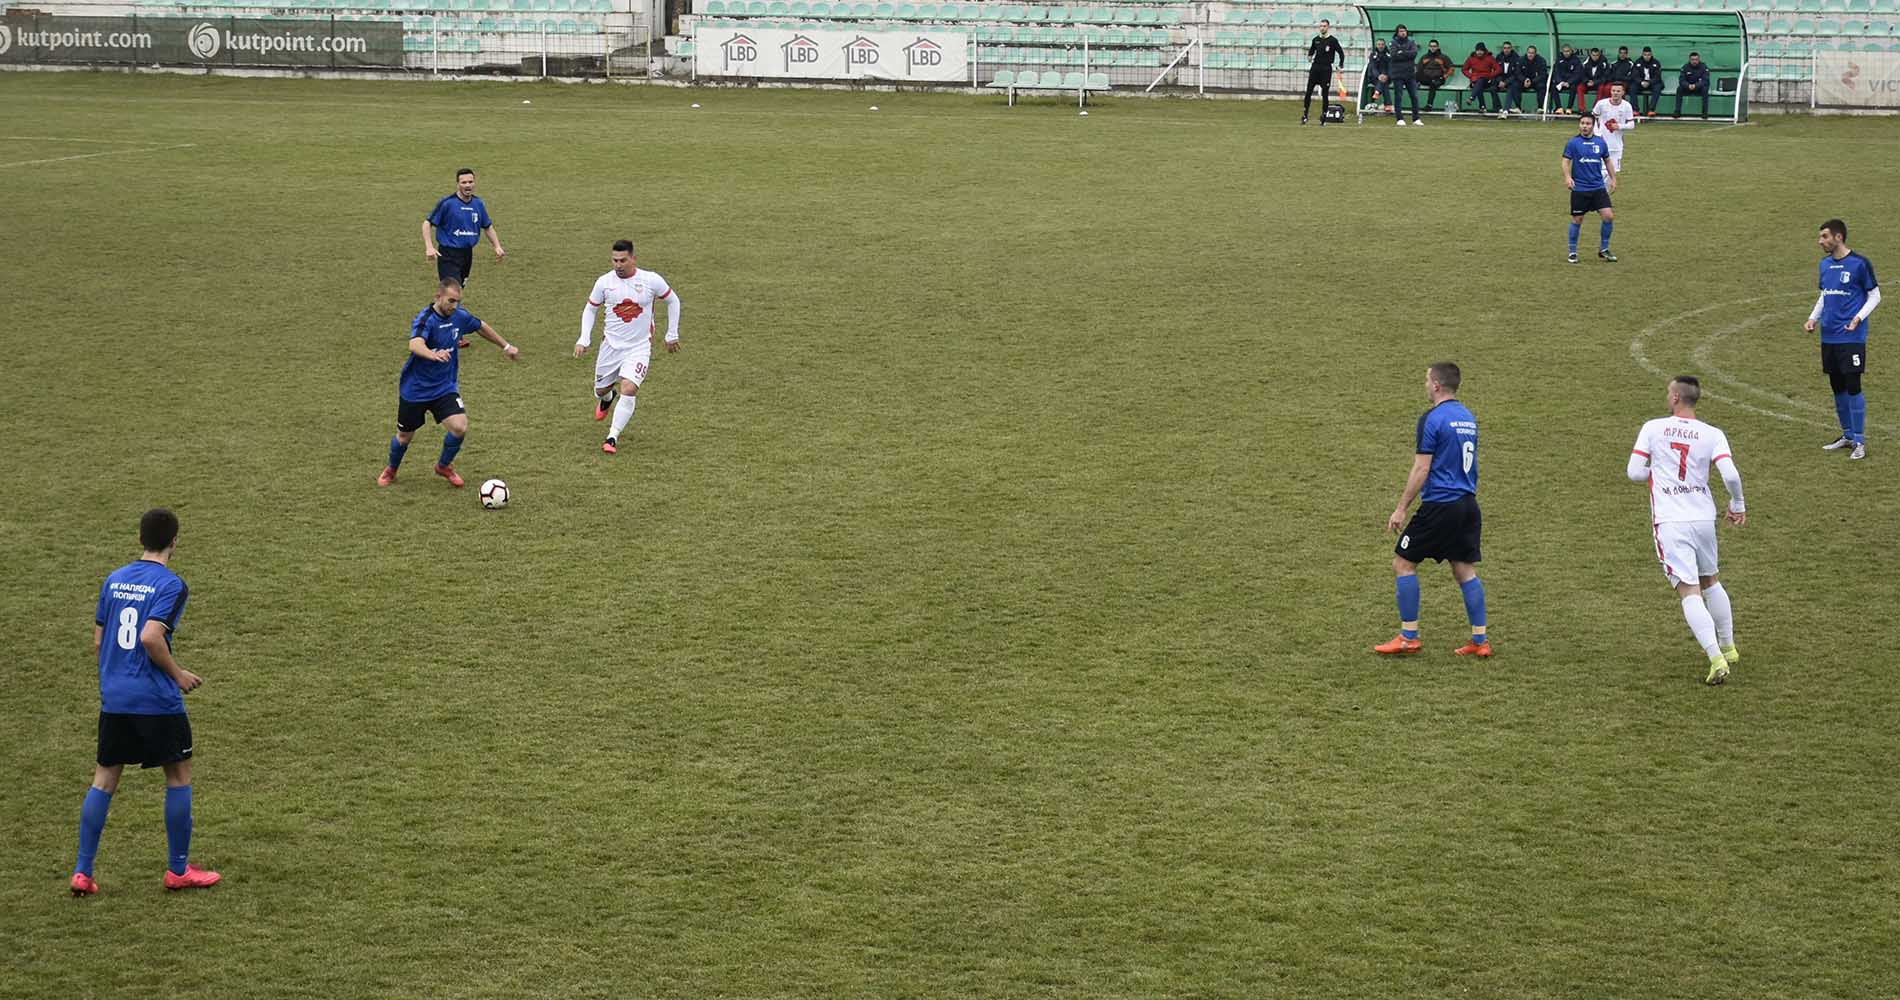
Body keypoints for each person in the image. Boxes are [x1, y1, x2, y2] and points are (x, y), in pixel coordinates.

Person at [70, 508, 220, 896]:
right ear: (175, 542)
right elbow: (151, 637)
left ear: (139, 539)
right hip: (156, 699)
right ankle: (178, 870)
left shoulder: (114, 579)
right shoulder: (171, 585)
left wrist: (114, 680)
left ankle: (83, 872)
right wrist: (178, 674)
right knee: (178, 776)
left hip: (115, 698)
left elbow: (99, 641)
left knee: (104, 780)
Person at [1626, 376, 1746, 685]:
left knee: (1689, 591)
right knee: (1711, 580)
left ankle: (1716, 658)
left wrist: (1659, 472)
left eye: (1669, 392)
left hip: (1671, 520)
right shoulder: (1713, 434)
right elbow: (1731, 475)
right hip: (1703, 517)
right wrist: (1737, 503)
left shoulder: (1653, 428)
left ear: (1676, 398)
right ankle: (1729, 646)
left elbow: (1634, 472)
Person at [1376, 362, 1490, 658]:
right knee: (1464, 569)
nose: (1425, 385)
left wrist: (1401, 508)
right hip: (1468, 505)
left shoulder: (1432, 418)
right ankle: (1480, 641)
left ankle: (1408, 636)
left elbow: (1422, 468)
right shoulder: (1468, 417)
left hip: (1441, 504)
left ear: (1437, 385)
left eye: (1427, 380)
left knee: (1403, 563)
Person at [378, 279, 519, 488]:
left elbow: (480, 326)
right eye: (451, 301)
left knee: (460, 427)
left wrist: (506, 346)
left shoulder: (459, 316)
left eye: (458, 301)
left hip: (444, 387)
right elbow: (415, 344)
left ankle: (443, 466)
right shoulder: (426, 319)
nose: (455, 305)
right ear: (438, 297)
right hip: (415, 389)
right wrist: (433, 355)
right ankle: (391, 469)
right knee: (404, 436)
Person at [576, 239, 682, 455]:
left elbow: (673, 300)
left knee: (629, 388)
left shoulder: (651, 280)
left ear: (633, 259)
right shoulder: (604, 282)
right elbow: (590, 309)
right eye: (614, 260)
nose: (618, 265)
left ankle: (612, 437)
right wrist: (584, 338)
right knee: (600, 390)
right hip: (611, 347)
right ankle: (607, 398)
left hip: (639, 347)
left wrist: (672, 333)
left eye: (623, 260)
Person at [1805, 219, 1881, 460]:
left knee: (1853, 385)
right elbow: (1825, 295)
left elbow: (1875, 295)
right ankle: (1847, 435)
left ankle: (1859, 441)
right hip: (1829, 336)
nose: (1820, 241)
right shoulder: (1825, 265)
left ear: (1838, 237)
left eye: (1825, 237)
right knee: (1837, 386)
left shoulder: (1859, 264)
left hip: (1851, 336)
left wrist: (1858, 318)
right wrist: (1813, 318)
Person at [424, 168, 505, 288]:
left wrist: (497, 246)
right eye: (464, 182)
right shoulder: (447, 203)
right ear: (457, 184)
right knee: (452, 290)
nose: (468, 185)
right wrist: (429, 247)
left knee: (458, 290)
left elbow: (487, 227)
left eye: (470, 182)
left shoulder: (478, 203)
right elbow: (427, 223)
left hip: (467, 254)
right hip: (448, 254)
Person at [1562, 113, 1617, 264]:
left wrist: (1613, 178)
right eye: (1582, 123)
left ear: (1593, 126)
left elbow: (1607, 161)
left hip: (1598, 187)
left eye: (1588, 124)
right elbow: (1565, 161)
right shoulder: (1573, 143)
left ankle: (1604, 249)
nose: (1584, 126)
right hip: (1580, 188)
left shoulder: (1600, 142)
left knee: (1608, 216)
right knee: (1577, 219)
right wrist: (1567, 177)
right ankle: (1573, 252)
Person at [1302, 19, 1347, 125]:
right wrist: (1309, 56)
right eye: (1321, 26)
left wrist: (1341, 65)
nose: (1322, 28)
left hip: (1326, 69)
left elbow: (1341, 53)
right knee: (1308, 92)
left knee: (1325, 94)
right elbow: (1311, 51)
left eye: (1324, 26)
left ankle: (1324, 116)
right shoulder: (1316, 40)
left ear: (1328, 27)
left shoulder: (1333, 40)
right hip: (1315, 68)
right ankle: (1305, 115)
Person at [1590, 82, 1637, 174]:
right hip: (1601, 142)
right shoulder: (1601, 104)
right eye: (1613, 91)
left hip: (1617, 144)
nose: (1615, 93)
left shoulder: (1627, 106)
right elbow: (1592, 118)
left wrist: (1619, 126)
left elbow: (1631, 124)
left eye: (1618, 91)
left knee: (1613, 171)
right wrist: (1597, 133)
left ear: (1623, 92)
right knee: (1600, 170)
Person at [1387, 24, 1422, 126]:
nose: (1403, 33)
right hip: (1397, 74)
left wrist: (1402, 52)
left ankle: (1416, 119)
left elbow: (1413, 54)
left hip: (1410, 74)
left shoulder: (1411, 42)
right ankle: (1399, 118)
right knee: (1398, 96)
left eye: (1404, 31)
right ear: (1397, 33)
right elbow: (1394, 55)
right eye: (1401, 31)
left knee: (1414, 96)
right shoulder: (1393, 43)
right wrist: (1406, 53)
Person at [1461, 42, 1501, 114]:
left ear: (1484, 50)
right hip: (1475, 80)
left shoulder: (1490, 58)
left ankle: (1474, 100)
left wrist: (1490, 75)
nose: (1479, 52)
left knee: (1480, 81)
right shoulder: (1471, 58)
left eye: (1481, 50)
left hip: (1487, 81)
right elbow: (1464, 69)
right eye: (1477, 50)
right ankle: (1482, 107)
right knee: (1479, 83)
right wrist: (1471, 76)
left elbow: (1498, 69)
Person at [1509, 44, 1549, 115]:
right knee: (1515, 85)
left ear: (1535, 53)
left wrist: (1532, 81)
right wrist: (1524, 80)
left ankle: (1540, 108)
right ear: (1526, 52)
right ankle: (1518, 108)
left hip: (1535, 81)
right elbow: (1517, 73)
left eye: (1532, 53)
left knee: (1542, 86)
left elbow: (1543, 75)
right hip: (1523, 81)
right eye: (1529, 53)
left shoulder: (1541, 60)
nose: (1530, 54)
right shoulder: (1521, 60)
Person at [1417, 39, 1454, 112]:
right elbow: (1419, 68)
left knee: (1433, 84)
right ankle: (1415, 105)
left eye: (1434, 46)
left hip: (1438, 79)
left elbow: (1451, 68)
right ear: (1429, 47)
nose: (1432, 48)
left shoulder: (1443, 57)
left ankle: (1429, 105)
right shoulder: (1424, 57)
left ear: (1437, 47)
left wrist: (1444, 76)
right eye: (1431, 46)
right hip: (1427, 78)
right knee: (1414, 78)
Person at [1675, 52, 1711, 119]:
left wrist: (1696, 85)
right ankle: (1677, 111)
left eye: (1696, 59)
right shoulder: (1685, 67)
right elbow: (1681, 80)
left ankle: (1704, 112)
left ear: (1699, 59)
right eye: (1692, 59)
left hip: (1699, 88)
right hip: (1688, 88)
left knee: (1705, 89)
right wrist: (1688, 85)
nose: (1694, 61)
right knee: (1679, 89)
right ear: (1689, 60)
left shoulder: (1704, 67)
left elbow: (1705, 80)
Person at [1631, 46, 1666, 117]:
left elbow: (1657, 77)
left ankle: (1651, 110)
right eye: (1645, 55)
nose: (1647, 57)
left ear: (1651, 54)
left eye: (1648, 55)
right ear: (1642, 54)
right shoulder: (1637, 62)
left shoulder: (1656, 62)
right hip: (1641, 83)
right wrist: (1641, 82)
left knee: (1657, 88)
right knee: (1632, 88)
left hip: (1652, 83)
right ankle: (1635, 110)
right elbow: (1635, 75)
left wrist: (1649, 82)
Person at [1551, 43, 1583, 113]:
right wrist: (1560, 82)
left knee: (1574, 87)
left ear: (1571, 51)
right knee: (1553, 87)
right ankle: (1559, 107)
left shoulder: (1576, 60)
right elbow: (1556, 72)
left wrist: (1569, 82)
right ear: (1562, 51)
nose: (1566, 53)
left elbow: (1577, 74)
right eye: (1565, 51)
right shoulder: (1559, 60)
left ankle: (1569, 108)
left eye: (1568, 51)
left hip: (1571, 83)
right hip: (1561, 82)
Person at [1366, 39, 1391, 113]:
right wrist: (1379, 76)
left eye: (1382, 44)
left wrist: (1387, 76)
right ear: (1376, 45)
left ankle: (1377, 92)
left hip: (1387, 77)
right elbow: (1373, 68)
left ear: (1385, 45)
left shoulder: (1389, 54)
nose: (1380, 46)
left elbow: (1391, 67)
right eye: (1379, 44)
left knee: (1384, 81)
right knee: (1384, 84)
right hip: (1375, 77)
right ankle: (1388, 105)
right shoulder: (1373, 55)